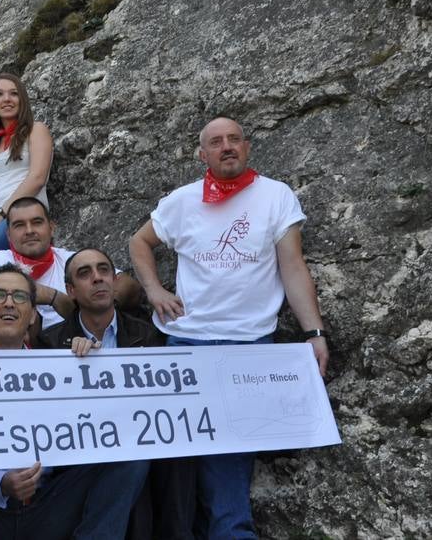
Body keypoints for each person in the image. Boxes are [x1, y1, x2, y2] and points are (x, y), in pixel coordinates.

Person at [129, 116, 329, 539]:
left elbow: (293, 267)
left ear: (248, 147)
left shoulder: (275, 196)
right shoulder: (182, 201)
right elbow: (139, 242)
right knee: (165, 456)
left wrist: (314, 333)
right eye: (216, 142)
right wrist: (154, 289)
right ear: (202, 154)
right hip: (185, 341)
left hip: (248, 347)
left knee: (229, 460)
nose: (227, 147)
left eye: (234, 139)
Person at [0, 265, 149, 540]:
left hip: (48, 505)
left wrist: (91, 369)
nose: (9, 303)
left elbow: (98, 431)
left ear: (33, 314)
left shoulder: (61, 366)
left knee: (131, 453)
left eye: (20, 297)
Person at [40, 246, 189, 540]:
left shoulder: (147, 334)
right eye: (85, 274)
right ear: (70, 290)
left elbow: (165, 402)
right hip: (82, 452)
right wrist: (73, 368)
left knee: (180, 452)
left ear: (114, 280)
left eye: (103, 270)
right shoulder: (52, 342)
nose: (97, 279)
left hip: (139, 441)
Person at [0, 72, 53, 263]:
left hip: (20, 215)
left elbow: (37, 178)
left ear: (22, 100)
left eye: (13, 93)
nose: (6, 99)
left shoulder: (36, 129)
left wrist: (2, 215)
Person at [0, 197, 78, 334]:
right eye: (19, 225)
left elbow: (114, 284)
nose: (29, 231)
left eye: (37, 222)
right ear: (8, 235)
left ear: (51, 228)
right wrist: (55, 298)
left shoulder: (72, 261)